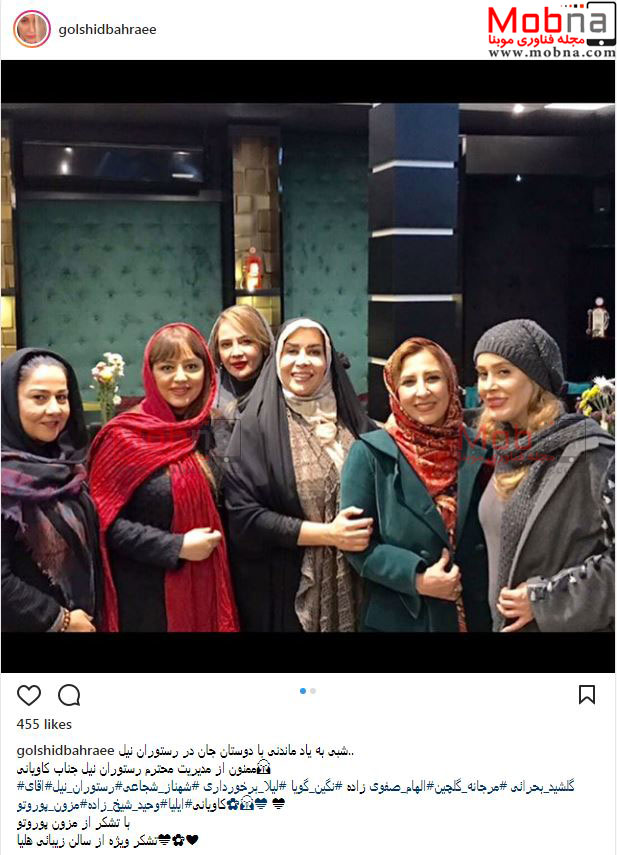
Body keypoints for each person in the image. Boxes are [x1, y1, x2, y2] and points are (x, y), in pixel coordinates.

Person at [224, 318, 375, 632]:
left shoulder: (354, 422)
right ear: (277, 360)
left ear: (328, 360)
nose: (303, 361)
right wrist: (329, 534)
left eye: (314, 351)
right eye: (292, 351)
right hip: (286, 589)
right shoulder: (249, 427)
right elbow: (243, 516)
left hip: (361, 580)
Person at [88, 323, 238, 632]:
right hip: (147, 598)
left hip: (212, 584)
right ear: (151, 373)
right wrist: (175, 546)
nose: (181, 378)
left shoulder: (215, 429)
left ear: (208, 372)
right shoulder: (123, 436)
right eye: (167, 367)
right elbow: (103, 523)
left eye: (192, 366)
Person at [340, 337, 492, 633]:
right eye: (409, 382)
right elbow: (356, 546)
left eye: (433, 378)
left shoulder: (480, 448)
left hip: (476, 614)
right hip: (403, 617)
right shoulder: (370, 453)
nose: (422, 391)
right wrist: (417, 579)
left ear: (451, 383)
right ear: (395, 390)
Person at [474, 318, 615, 632]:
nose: (488, 385)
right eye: (483, 374)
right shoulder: (506, 448)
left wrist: (547, 599)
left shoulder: (592, 452)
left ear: (536, 379)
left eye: (503, 372)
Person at [2, 349, 100, 632]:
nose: (55, 409)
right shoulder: (5, 477)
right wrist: (60, 619)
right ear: (10, 402)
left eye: (62, 397)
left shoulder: (67, 465)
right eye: (39, 397)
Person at [207, 305, 274, 478]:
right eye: (226, 345)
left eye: (246, 342)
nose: (236, 352)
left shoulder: (282, 394)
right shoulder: (206, 396)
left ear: (263, 344)